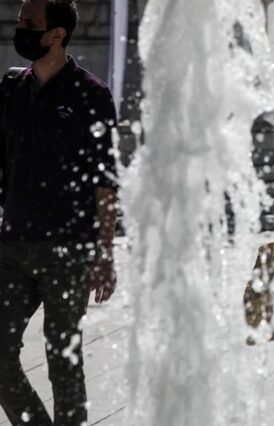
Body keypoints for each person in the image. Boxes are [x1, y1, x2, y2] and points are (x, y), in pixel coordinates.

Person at [0, 1, 118, 424]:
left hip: (68, 250)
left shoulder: (91, 94)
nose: (20, 29)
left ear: (56, 35)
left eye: (29, 24)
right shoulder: (11, 87)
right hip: (12, 245)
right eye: (18, 23)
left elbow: (106, 181)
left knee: (62, 358)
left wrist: (105, 254)